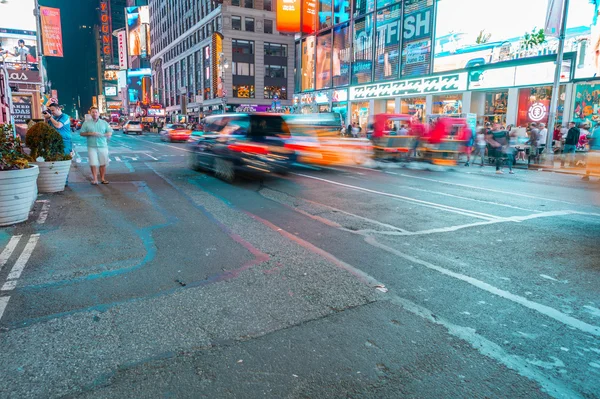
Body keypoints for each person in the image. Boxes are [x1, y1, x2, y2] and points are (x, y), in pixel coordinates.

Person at [80, 107, 113, 185]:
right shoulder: (86, 123)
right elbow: (81, 133)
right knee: (93, 163)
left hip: (102, 145)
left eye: (96, 112)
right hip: (91, 145)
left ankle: (102, 178)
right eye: (93, 112)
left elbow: (110, 132)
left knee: (103, 162)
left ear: (98, 113)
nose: (94, 114)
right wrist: (91, 133)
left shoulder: (104, 123)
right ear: (90, 113)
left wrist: (103, 135)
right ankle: (95, 179)